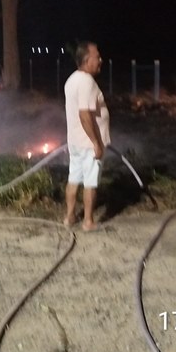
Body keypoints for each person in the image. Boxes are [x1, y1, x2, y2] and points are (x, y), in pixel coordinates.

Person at [63, 41, 110, 232]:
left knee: (73, 179)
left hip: (75, 142)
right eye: (97, 57)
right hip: (88, 143)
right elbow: (84, 114)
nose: (100, 60)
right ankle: (88, 221)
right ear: (86, 60)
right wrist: (96, 143)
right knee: (90, 183)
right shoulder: (87, 82)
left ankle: (69, 217)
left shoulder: (71, 80)